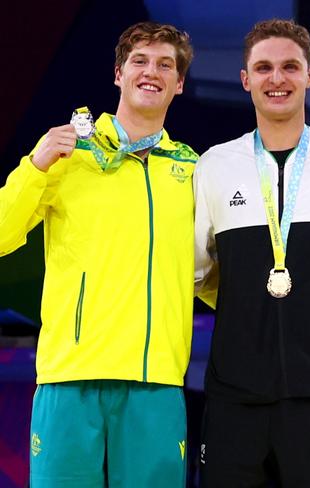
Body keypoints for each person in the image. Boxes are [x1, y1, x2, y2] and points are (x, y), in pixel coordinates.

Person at [0, 22, 197, 487]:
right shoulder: (68, 153)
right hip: (72, 376)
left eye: (165, 64)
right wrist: (35, 166)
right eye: (140, 61)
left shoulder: (191, 169)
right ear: (118, 74)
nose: (152, 72)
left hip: (156, 380)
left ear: (180, 83)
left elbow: (208, 270)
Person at [194, 19, 310, 488]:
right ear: (246, 79)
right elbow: (197, 271)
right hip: (234, 396)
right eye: (264, 68)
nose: (277, 79)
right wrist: (245, 311)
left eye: (290, 67)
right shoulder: (214, 165)